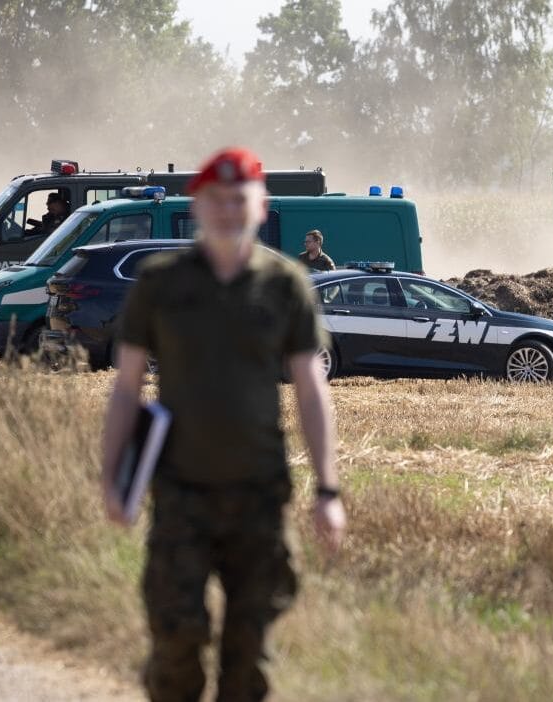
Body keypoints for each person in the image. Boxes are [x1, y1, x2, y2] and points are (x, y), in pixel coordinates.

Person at [99, 146, 346, 702]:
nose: (229, 211)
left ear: (261, 207)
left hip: (260, 496)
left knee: (248, 660)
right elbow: (126, 389)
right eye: (217, 200)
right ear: (199, 206)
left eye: (241, 200)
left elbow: (311, 390)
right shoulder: (161, 283)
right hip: (180, 494)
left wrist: (328, 490)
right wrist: (113, 478)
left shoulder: (286, 285)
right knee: (176, 639)